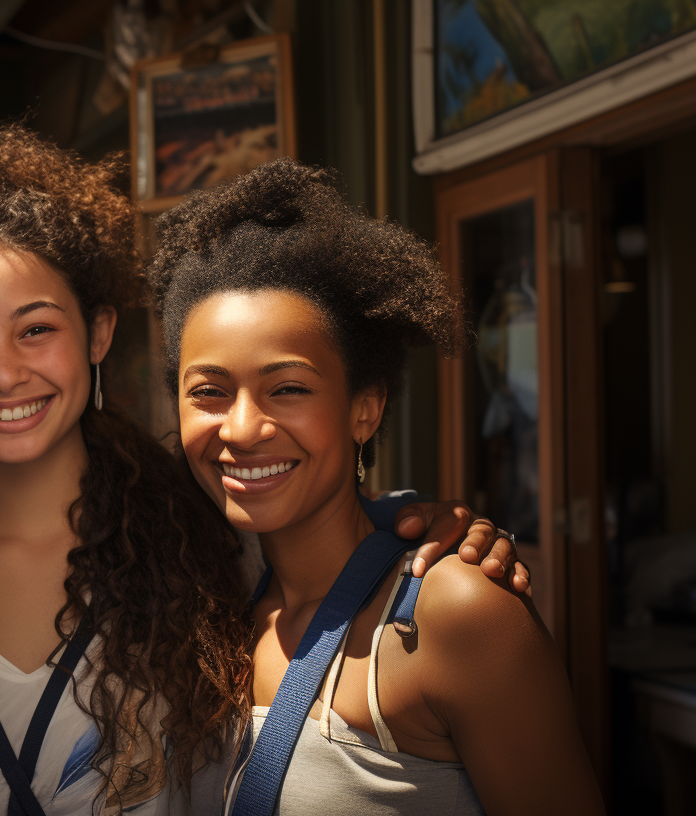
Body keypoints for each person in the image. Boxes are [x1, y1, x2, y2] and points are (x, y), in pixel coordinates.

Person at [0, 128, 528, 816]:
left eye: (35, 329)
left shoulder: (200, 541)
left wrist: (414, 525)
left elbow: (321, 528)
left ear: (98, 333)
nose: (2, 371)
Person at [148, 158, 604, 815]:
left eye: (289, 389)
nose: (242, 428)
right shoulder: (207, 597)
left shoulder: (454, 614)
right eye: (210, 392)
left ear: (365, 407)